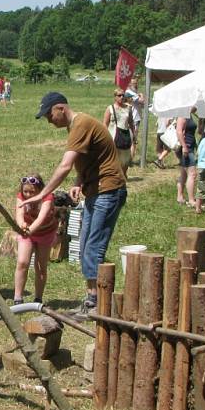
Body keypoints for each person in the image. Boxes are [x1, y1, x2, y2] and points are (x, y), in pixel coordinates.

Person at [23, 92, 127, 311]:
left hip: (108, 191)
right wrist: (80, 181)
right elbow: (89, 158)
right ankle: (92, 296)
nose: (49, 121)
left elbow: (65, 165)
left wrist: (43, 194)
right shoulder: (76, 126)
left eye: (49, 115)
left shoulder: (81, 124)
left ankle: (97, 301)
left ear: (61, 108)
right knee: (84, 247)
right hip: (95, 191)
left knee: (93, 247)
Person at [13, 173, 58, 305]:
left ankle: (38, 298)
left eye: (32, 192)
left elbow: (40, 219)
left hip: (46, 232)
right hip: (27, 232)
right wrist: (22, 225)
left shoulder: (47, 197)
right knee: (22, 262)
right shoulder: (20, 196)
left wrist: (30, 230)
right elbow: (19, 214)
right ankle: (18, 298)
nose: (28, 195)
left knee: (40, 266)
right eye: (25, 191)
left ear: (39, 190)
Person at [103, 89, 137, 177]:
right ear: (115, 97)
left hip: (125, 135)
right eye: (119, 95)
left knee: (125, 158)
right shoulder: (110, 108)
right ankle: (115, 176)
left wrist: (134, 135)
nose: (121, 97)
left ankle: (123, 175)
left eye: (123, 95)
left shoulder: (128, 108)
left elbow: (131, 122)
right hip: (113, 136)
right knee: (114, 158)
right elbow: (105, 125)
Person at [175, 108, 199, 206]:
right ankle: (191, 199)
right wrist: (184, 147)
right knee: (192, 174)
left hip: (189, 146)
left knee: (184, 173)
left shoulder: (189, 115)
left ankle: (180, 196)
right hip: (186, 148)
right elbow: (179, 131)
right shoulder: (182, 115)